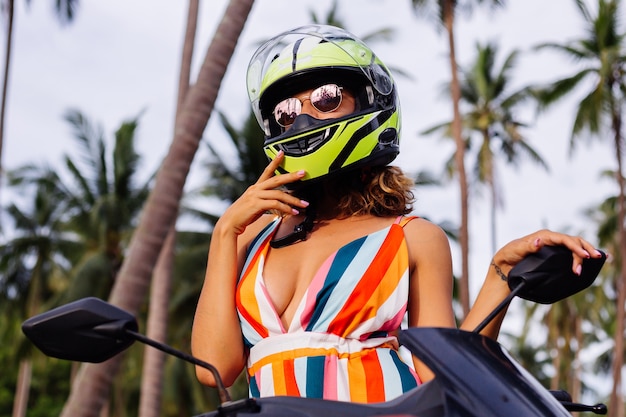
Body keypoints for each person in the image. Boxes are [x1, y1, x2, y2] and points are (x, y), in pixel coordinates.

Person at [191, 24, 603, 403]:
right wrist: (225, 232)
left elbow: (440, 376)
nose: (301, 117)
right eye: (284, 112)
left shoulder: (411, 237)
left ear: (370, 101)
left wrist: (499, 276)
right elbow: (216, 369)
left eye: (325, 98)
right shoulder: (251, 235)